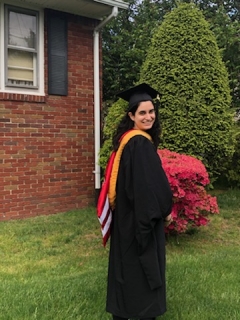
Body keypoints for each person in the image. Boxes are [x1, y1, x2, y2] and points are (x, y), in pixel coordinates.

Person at [106, 83, 173, 320]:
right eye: (142, 112)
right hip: (141, 219)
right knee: (143, 271)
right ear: (131, 115)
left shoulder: (127, 141)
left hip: (126, 217)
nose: (148, 116)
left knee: (126, 269)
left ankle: (123, 312)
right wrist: (165, 210)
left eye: (151, 111)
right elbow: (150, 186)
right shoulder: (140, 144)